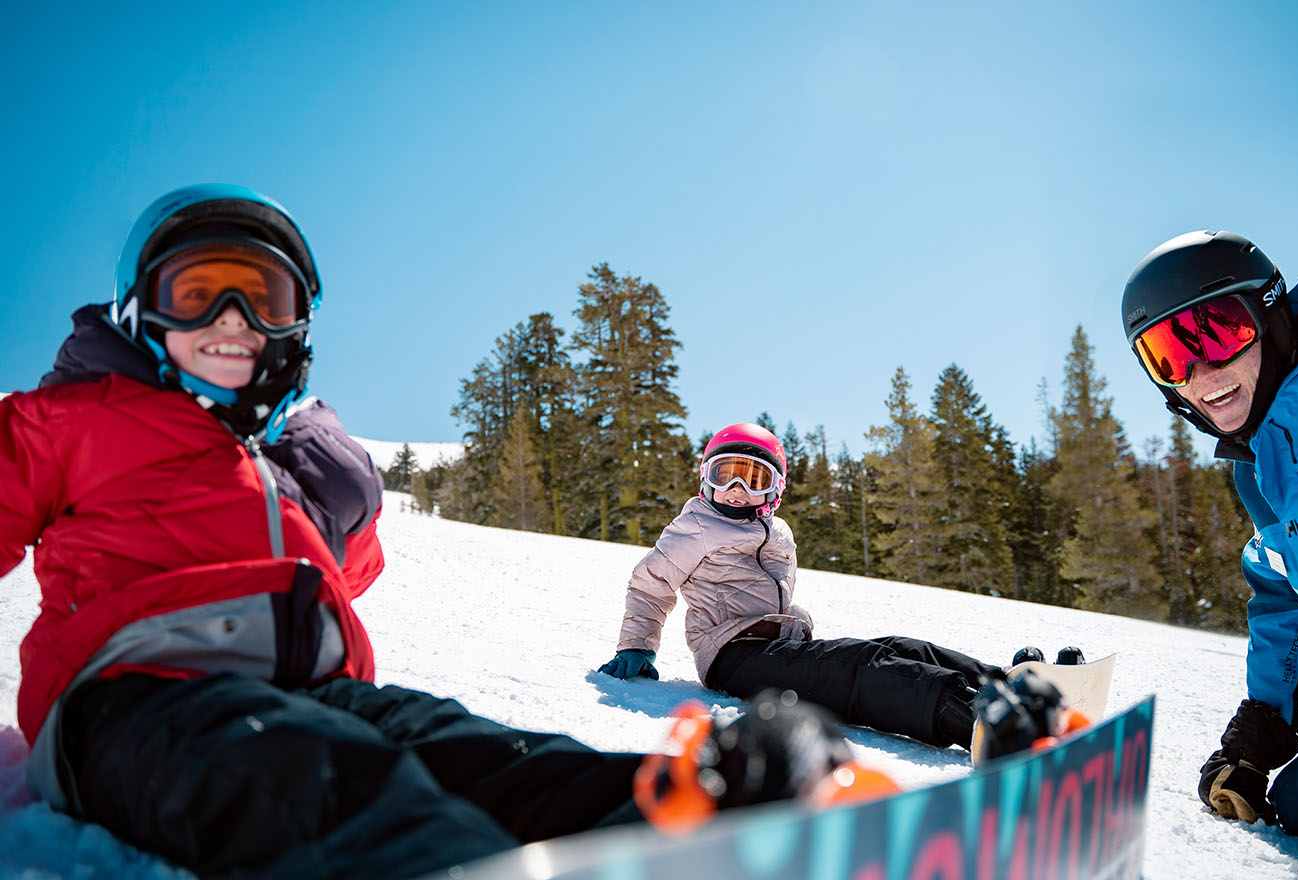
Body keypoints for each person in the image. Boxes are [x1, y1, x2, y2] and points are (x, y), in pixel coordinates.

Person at [0, 185, 846, 880]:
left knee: (489, 756)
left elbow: (345, 580)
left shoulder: (270, 456)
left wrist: (340, 501)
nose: (232, 319)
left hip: (318, 690)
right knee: (330, 783)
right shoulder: (69, 418)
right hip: (137, 700)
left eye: (263, 299)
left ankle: (701, 821)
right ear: (139, 311)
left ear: (294, 327)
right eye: (198, 293)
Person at [1120, 230, 1298, 878]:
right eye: (1168, 355)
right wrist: (1260, 731)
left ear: (1269, 314)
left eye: (1216, 332)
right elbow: (1281, 589)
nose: (1203, 374)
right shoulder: (1262, 460)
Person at [598, 422, 1005, 751]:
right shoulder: (695, 525)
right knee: (860, 665)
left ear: (774, 489)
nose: (738, 490)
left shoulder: (778, 531)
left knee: (896, 647)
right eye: (727, 475)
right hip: (731, 654)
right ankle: (972, 717)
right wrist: (637, 644)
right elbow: (650, 584)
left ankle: (1001, 682)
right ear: (707, 480)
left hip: (776, 644)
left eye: (753, 478)